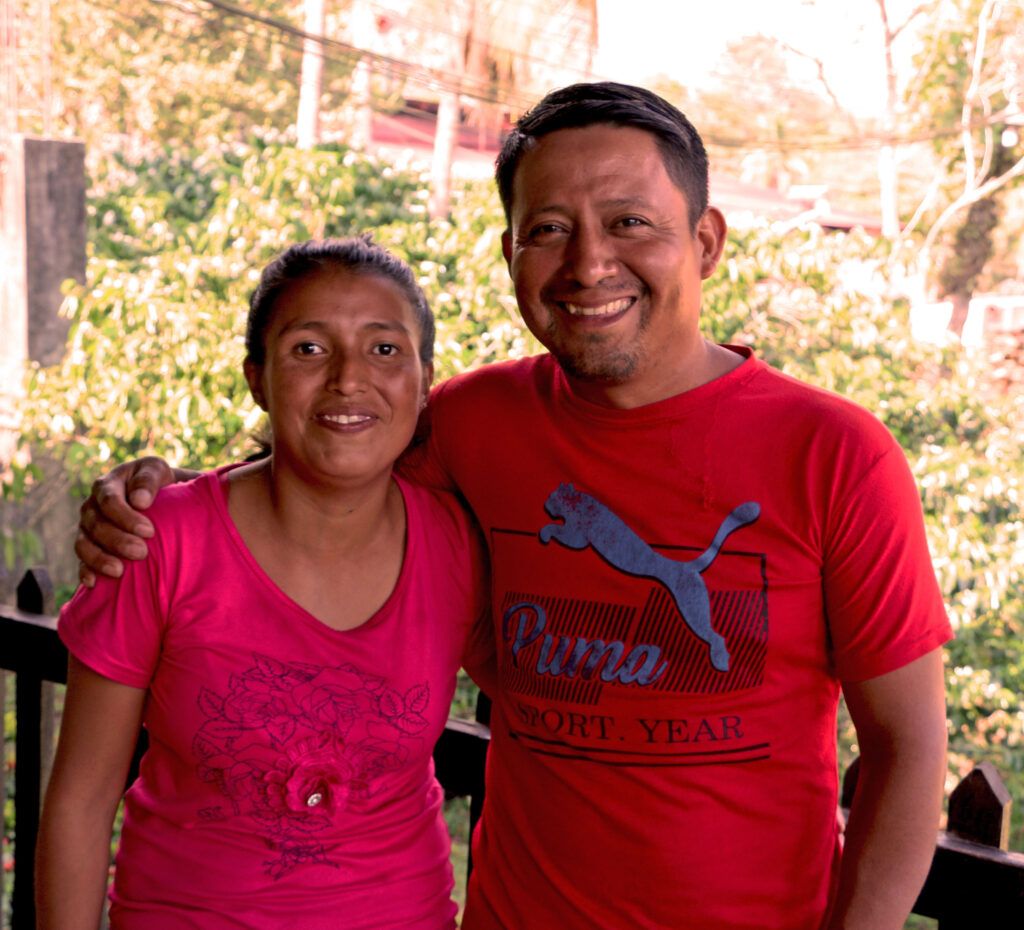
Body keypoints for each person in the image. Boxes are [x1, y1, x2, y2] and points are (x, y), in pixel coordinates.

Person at [74, 82, 952, 930]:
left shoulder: (834, 454)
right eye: (550, 230)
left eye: (630, 223)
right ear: (509, 254)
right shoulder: (470, 424)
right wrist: (151, 496)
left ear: (707, 241)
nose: (589, 263)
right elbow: (321, 461)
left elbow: (908, 750)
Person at [36, 236, 491, 930]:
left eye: (385, 349)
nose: (347, 378)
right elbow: (81, 801)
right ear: (257, 377)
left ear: (424, 380)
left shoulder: (461, 542)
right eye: (308, 349)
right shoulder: (159, 541)